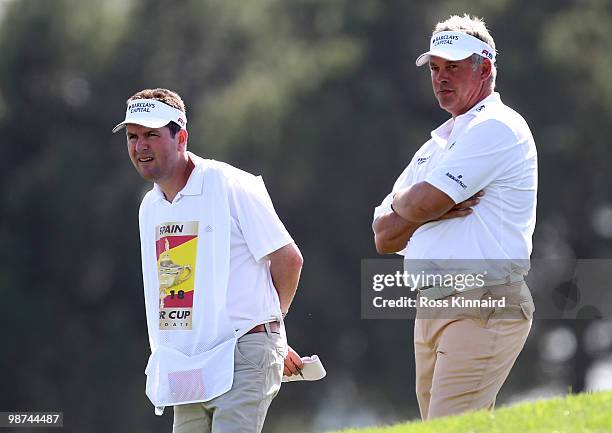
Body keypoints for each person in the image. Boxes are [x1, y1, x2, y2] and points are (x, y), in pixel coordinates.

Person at [372, 14, 537, 420]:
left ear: (485, 68)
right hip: (432, 306)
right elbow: (383, 235)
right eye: (435, 68)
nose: (441, 78)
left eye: (454, 67)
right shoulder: (437, 144)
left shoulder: (498, 126)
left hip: (483, 299)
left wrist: (418, 206)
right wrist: (423, 208)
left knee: (448, 426)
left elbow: (420, 205)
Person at [113, 88, 305, 433]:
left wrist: (270, 330)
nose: (140, 146)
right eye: (133, 136)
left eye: (151, 135)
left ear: (181, 137)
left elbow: (288, 260)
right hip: (186, 364)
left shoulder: (228, 183)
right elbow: (180, 292)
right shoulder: (150, 207)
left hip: (241, 357)